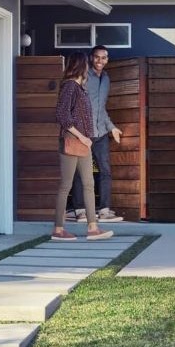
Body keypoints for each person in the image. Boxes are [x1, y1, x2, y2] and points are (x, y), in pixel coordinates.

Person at [52, 52, 114, 242]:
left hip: (84, 142)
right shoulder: (70, 86)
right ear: (81, 65)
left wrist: (87, 138)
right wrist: (81, 137)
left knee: (89, 184)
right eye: (87, 64)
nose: (89, 67)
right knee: (66, 186)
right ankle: (58, 229)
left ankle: (93, 228)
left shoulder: (81, 88)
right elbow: (62, 116)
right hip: (72, 141)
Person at [67, 44, 124, 223]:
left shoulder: (106, 79)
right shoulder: (83, 76)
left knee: (105, 171)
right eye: (97, 57)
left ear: (107, 59)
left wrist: (112, 127)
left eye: (104, 57)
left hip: (100, 134)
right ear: (91, 58)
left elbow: (101, 109)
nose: (100, 61)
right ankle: (79, 210)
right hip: (83, 133)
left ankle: (105, 210)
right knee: (80, 172)